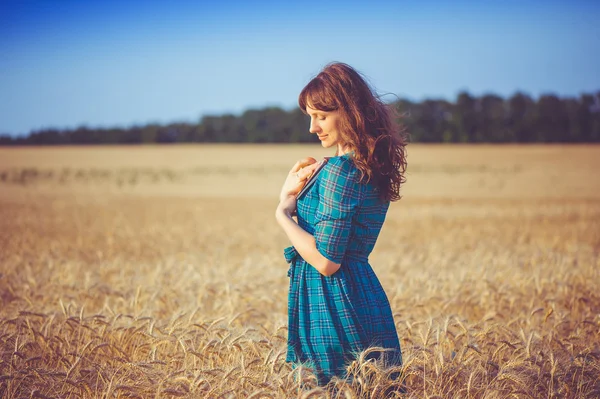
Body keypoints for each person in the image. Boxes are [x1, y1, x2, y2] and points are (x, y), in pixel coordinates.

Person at [275, 62, 408, 386]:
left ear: (349, 112)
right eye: (310, 116)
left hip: (332, 303)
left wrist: (282, 213)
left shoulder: (339, 172)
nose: (312, 127)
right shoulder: (366, 166)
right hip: (361, 294)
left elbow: (326, 260)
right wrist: (292, 191)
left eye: (321, 116)